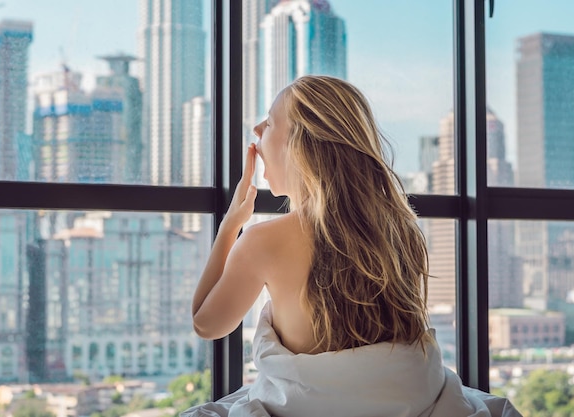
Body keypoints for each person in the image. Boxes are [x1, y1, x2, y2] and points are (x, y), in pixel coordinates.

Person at [184, 75, 521, 417]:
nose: (257, 130)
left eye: (269, 122)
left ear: (299, 145)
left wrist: (231, 223)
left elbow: (206, 323)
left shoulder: (262, 241)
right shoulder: (401, 230)